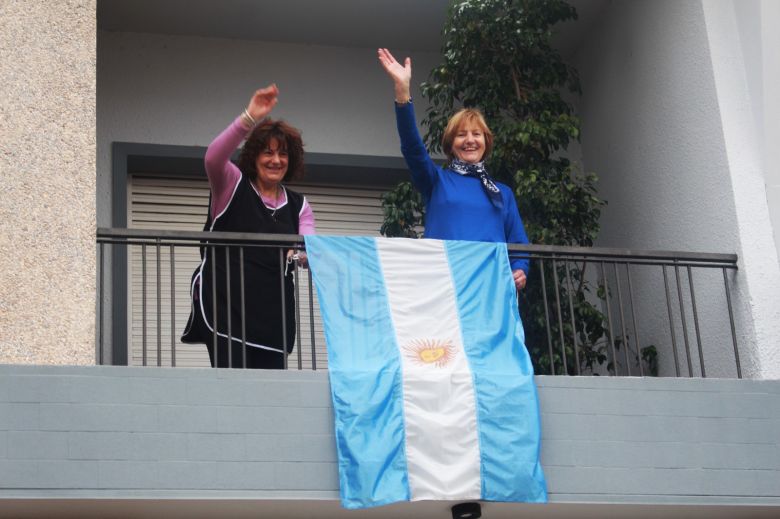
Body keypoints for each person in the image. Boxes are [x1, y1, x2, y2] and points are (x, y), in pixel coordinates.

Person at [181, 84, 315, 369]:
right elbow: (213, 158)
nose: (276, 160)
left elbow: (309, 246)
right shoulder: (233, 184)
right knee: (234, 393)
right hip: (226, 309)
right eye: (267, 152)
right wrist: (249, 117)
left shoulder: (298, 205)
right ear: (254, 156)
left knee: (268, 400)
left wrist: (304, 256)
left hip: (273, 318)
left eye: (283, 155)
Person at [377, 48, 530, 290]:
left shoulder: (503, 192)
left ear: (486, 142)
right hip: (442, 285)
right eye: (461, 135)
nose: (470, 140)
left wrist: (520, 268)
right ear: (450, 144)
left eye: (476, 134)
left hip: (490, 287)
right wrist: (402, 93)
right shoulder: (437, 180)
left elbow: (519, 242)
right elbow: (413, 148)